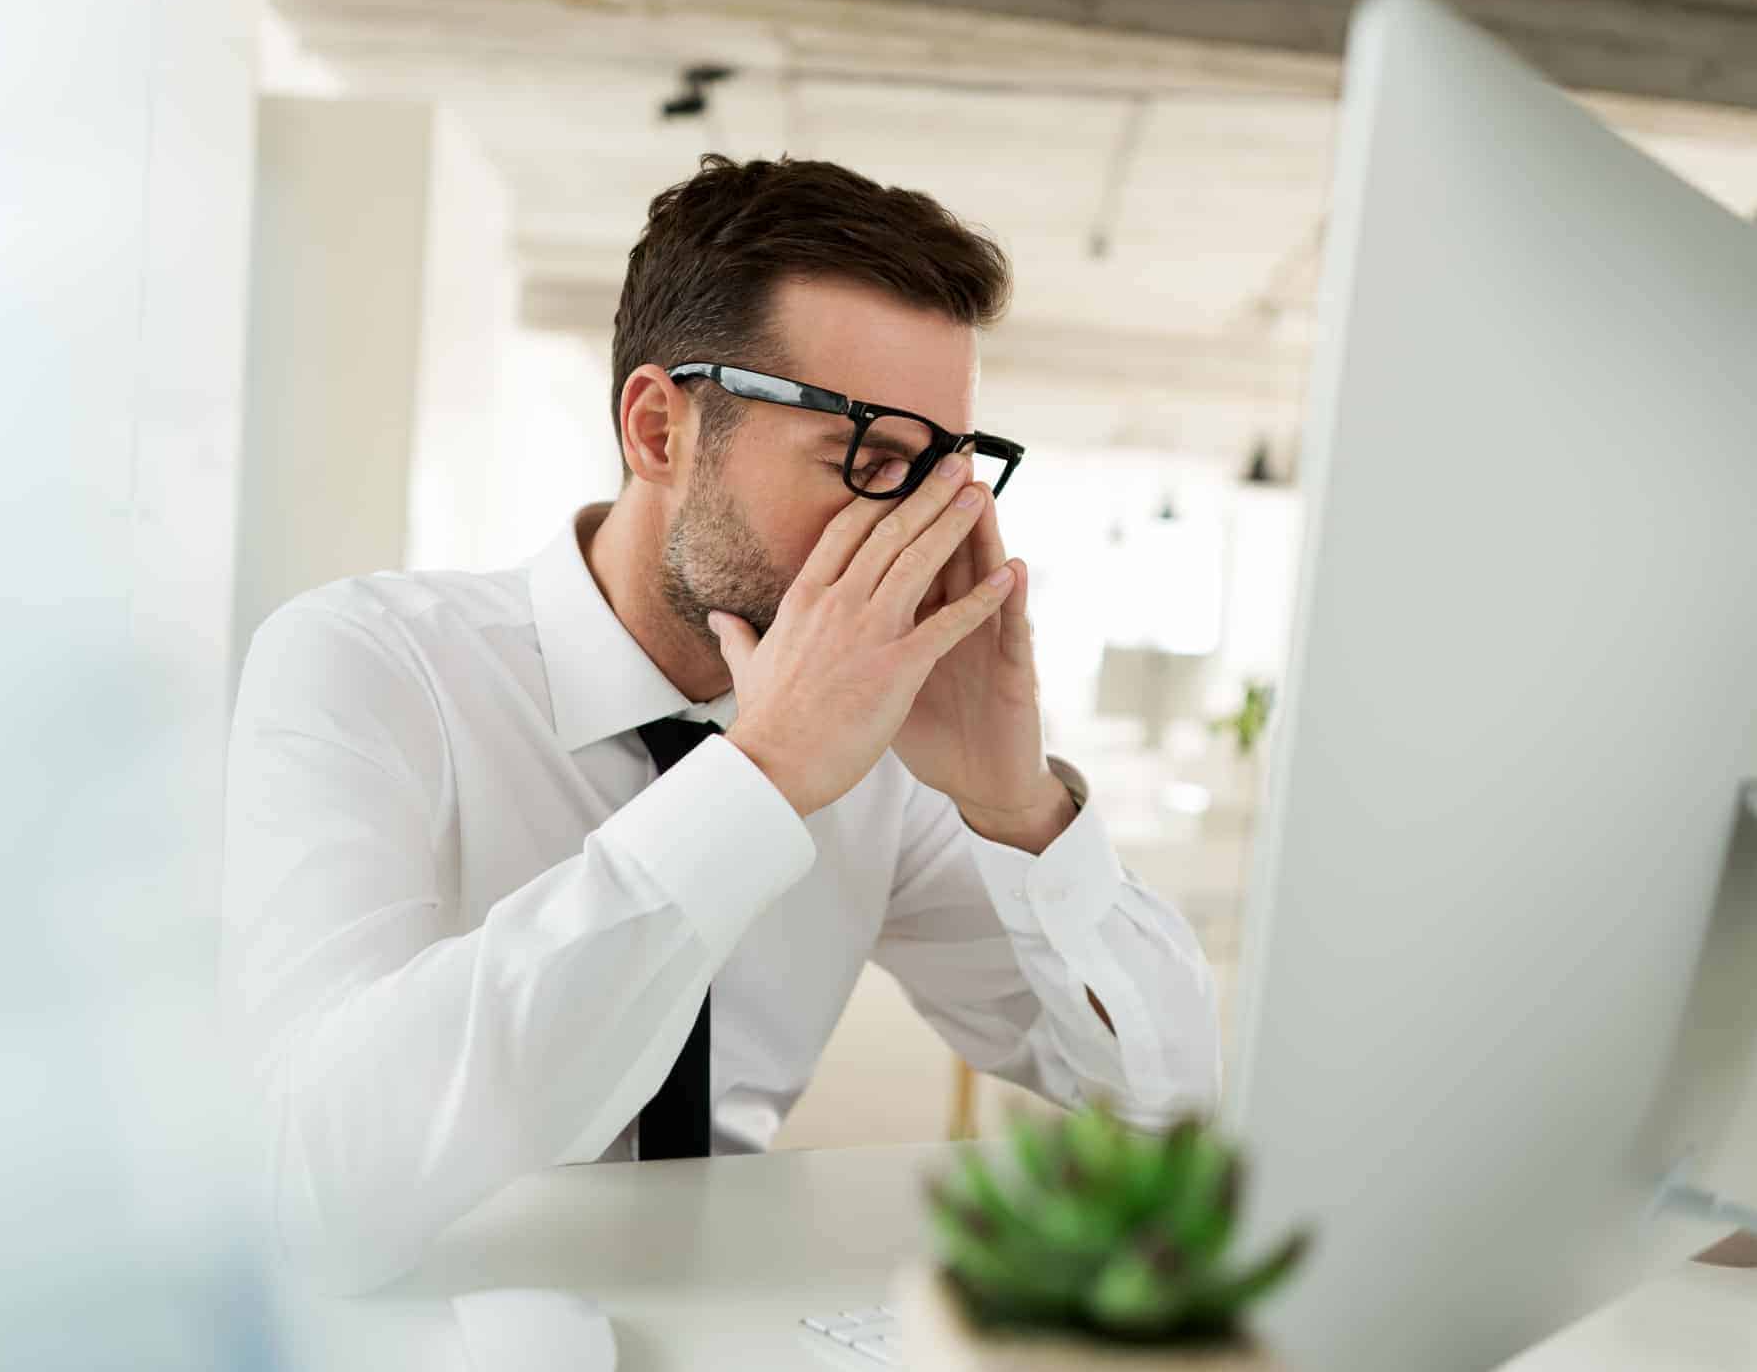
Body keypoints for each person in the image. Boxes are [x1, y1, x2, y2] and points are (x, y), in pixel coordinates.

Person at [221, 154, 1221, 1292]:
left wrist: (1017, 806)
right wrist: (754, 782)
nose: (922, 528)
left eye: (947, 467)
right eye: (873, 456)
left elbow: (1163, 1095)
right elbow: (311, 1175)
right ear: (659, 431)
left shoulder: (885, 749)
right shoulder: (369, 662)